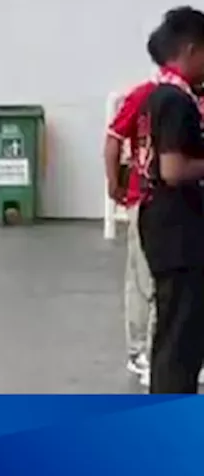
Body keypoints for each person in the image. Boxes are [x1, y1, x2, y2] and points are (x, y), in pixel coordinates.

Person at [138, 7, 204, 393]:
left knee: (173, 336)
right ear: (192, 49)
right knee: (180, 341)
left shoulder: (157, 95)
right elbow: (174, 169)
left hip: (163, 225)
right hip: (179, 232)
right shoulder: (176, 101)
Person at [106, 27, 169, 384]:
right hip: (145, 199)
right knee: (144, 277)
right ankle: (140, 349)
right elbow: (114, 139)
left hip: (187, 204)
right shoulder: (143, 95)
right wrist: (115, 183)